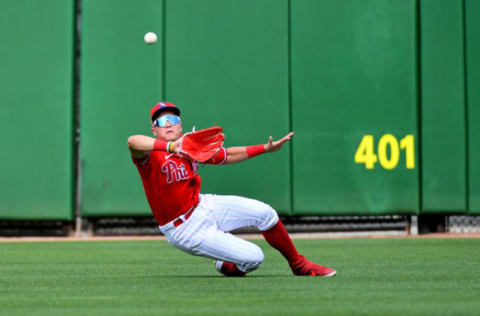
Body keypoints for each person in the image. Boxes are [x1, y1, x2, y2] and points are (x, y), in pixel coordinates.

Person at [127, 101, 336, 277]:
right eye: (162, 122)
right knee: (255, 258)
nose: (169, 125)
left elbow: (227, 155)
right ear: (154, 129)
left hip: (201, 204)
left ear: (181, 125)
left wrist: (265, 149)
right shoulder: (150, 155)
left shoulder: (191, 147)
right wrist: (172, 147)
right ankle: (225, 264)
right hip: (183, 228)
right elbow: (132, 142)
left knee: (266, 213)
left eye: (173, 120)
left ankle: (299, 265)